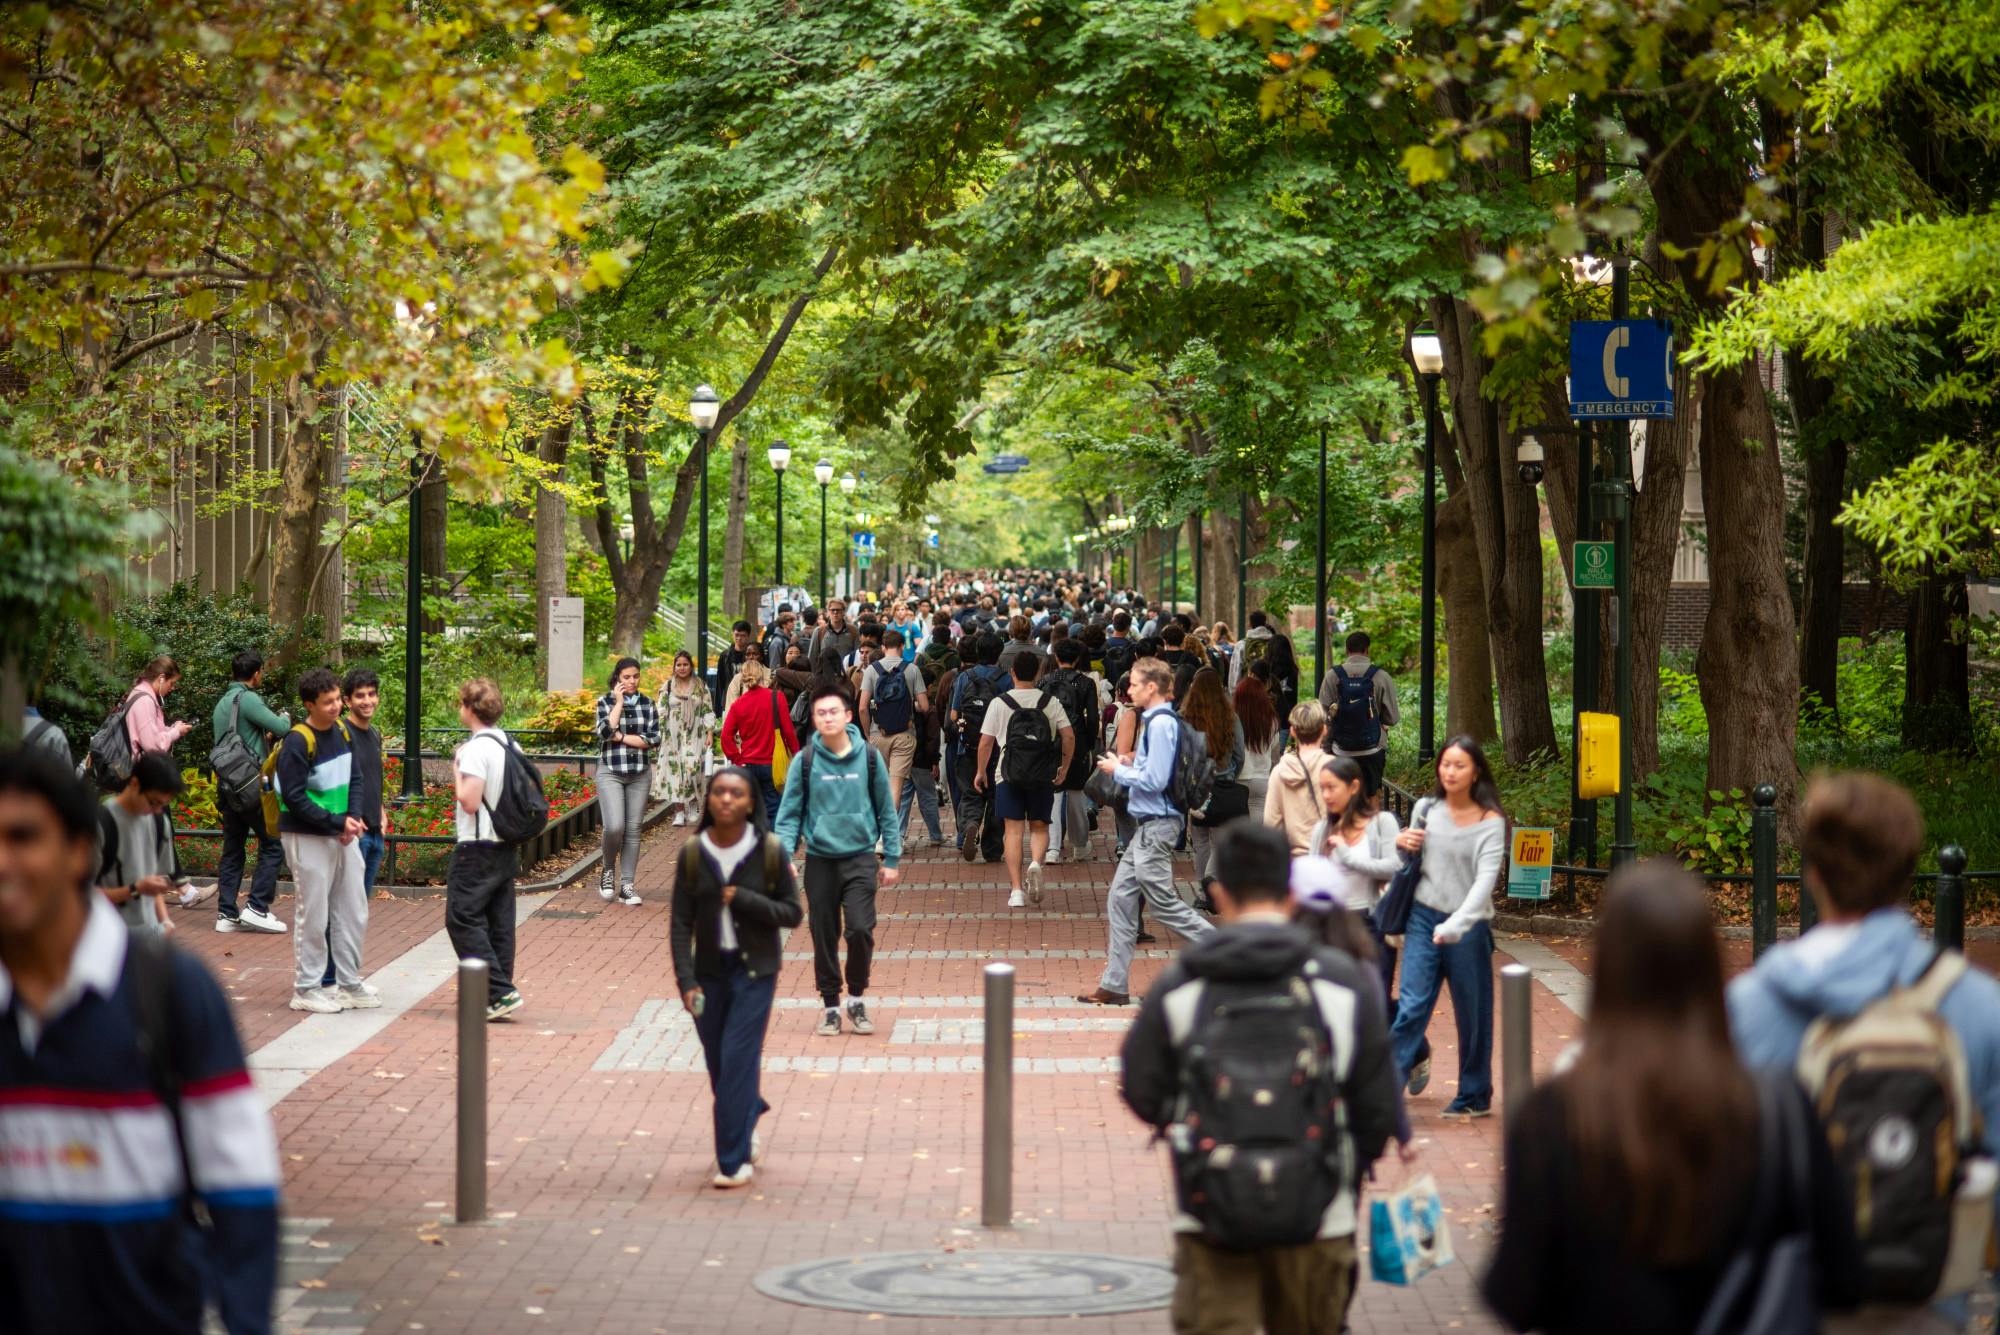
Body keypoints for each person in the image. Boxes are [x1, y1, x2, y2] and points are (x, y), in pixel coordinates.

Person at [1485, 860, 1862, 1335]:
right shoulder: (1778, 1109)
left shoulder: (1554, 1115)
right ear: (1709, 967)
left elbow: (1515, 1297)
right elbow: (1844, 1278)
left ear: (1606, 968)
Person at [0, 748, 280, 1335]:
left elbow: (242, 1188)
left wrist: (244, 1318)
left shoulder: (172, 992)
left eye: (23, 837)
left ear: (78, 852)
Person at [1728, 772, 2000, 1332]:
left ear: (1813, 874)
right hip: (1930, 1310)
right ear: (1908, 872)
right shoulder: (1979, 1008)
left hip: (1794, 1310)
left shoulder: (1748, 1007)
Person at [1118, 820, 1401, 1335]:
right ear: (1290, 890)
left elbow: (1140, 1087)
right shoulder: (1340, 981)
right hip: (1319, 1216)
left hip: (1211, 1211)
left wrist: (1189, 1118)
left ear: (1219, 893)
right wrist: (1342, 1163)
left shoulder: (1184, 983)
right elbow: (1377, 1105)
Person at [671, 766, 804, 1189]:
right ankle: (748, 1110)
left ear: (750, 803)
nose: (727, 799)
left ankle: (733, 1160)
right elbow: (679, 924)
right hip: (708, 973)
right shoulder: (693, 853)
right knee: (718, 1062)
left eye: (737, 793)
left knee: (737, 1058)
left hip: (755, 973)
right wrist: (686, 980)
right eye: (720, 792)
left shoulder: (768, 851)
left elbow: (792, 913)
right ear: (709, 800)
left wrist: (743, 899)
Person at [1079, 657, 1214, 1006]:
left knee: (1164, 904)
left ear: (1152, 687)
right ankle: (1114, 984)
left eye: (1136, 684)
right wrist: (1131, 761)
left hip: (1157, 825)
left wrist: (1116, 769)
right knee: (1121, 900)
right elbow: (1157, 769)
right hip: (1150, 828)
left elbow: (1155, 780)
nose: (1129, 690)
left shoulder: (1159, 724)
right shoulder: (1160, 721)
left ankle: (1230, 955)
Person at [773, 682, 901, 1038]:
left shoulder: (870, 757)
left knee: (860, 929)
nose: (828, 718)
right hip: (820, 861)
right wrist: (785, 854)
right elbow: (789, 814)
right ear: (814, 719)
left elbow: (886, 811)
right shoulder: (806, 760)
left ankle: (856, 997)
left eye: (834, 712)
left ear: (848, 716)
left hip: (860, 859)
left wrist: (891, 856)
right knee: (823, 934)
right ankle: (831, 1005)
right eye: (820, 713)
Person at [1388, 735, 1504, 1118]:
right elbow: (1405, 858)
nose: (1450, 772)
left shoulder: (1490, 822)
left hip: (1468, 924)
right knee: (1412, 1004)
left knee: (1472, 1011)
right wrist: (1402, 842)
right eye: (1445, 764)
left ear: (1476, 773)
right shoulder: (1426, 807)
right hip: (1423, 913)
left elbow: (1484, 882)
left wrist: (1458, 924)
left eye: (1459, 765)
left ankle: (1473, 1094)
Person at [1307, 755, 1430, 1093]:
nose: (1327, 795)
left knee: (1373, 999)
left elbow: (1394, 866)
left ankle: (1411, 1050)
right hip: (1333, 926)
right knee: (1338, 999)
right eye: (1323, 789)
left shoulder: (1382, 823)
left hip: (1373, 921)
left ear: (1354, 786)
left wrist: (1348, 856)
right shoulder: (1322, 830)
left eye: (1332, 788)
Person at [273, 667, 375, 1015]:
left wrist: (353, 818)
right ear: (309, 705)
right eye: (327, 702)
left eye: (336, 700)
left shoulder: (342, 733)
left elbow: (356, 777)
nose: (335, 707)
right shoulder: (298, 741)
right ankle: (306, 988)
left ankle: (348, 983)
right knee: (313, 912)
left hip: (341, 833)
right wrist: (337, 821)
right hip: (308, 836)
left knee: (353, 908)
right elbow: (295, 798)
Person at [448, 678, 524, 1022]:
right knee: (499, 921)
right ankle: (498, 991)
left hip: (476, 846)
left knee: (461, 918)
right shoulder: (511, 744)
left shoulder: (475, 750)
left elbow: (469, 800)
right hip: (506, 843)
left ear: (470, 709)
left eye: (462, 704)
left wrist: (456, 769)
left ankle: (500, 991)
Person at [975, 649, 1074, 909]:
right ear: (1039, 673)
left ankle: (1017, 890)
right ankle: (1035, 863)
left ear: (1012, 673)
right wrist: (1064, 766)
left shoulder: (1000, 702)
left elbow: (985, 742)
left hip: (1008, 774)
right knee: (1040, 826)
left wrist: (981, 771)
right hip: (1042, 773)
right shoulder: (1050, 702)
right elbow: (1069, 736)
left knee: (1013, 831)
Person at [212, 652, 290, 933]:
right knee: (272, 843)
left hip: (228, 787)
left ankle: (226, 914)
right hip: (252, 787)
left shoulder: (222, 703)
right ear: (256, 673)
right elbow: (281, 727)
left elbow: (235, 740)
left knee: (233, 850)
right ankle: (257, 906)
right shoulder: (249, 699)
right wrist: (284, 717)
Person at [95, 751, 183, 938]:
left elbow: (153, 882)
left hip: (148, 939)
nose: (158, 810)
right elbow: (82, 896)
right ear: (135, 784)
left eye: (163, 804)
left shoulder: (159, 822)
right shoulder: (101, 823)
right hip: (107, 940)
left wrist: (165, 921)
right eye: (153, 802)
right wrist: (135, 890)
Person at [594, 657, 658, 906]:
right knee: (615, 826)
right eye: (627, 677)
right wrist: (618, 703)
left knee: (633, 830)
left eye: (636, 676)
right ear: (618, 678)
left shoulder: (648, 704)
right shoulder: (604, 702)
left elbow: (652, 739)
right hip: (611, 771)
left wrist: (619, 735)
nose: (632, 681)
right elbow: (604, 732)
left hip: (640, 773)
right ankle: (608, 869)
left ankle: (627, 886)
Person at [1180, 667, 1245, 896]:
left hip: (1196, 784)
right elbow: (1240, 754)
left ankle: (1203, 886)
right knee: (1220, 841)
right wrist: (1230, 774)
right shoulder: (1230, 716)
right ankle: (1212, 884)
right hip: (1223, 782)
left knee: (1199, 840)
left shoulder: (1185, 716)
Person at [1042, 637, 1103, 865]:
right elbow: (1093, 717)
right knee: (1077, 795)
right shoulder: (1086, 683)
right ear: (1077, 658)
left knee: (1054, 796)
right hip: (1076, 741)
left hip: (1051, 742)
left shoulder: (1044, 682)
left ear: (1056, 657)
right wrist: (1088, 742)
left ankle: (1053, 848)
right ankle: (1079, 845)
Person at [950, 632, 1009, 864]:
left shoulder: (965, 677)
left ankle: (970, 824)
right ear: (999, 653)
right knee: (996, 799)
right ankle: (992, 849)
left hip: (968, 747)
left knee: (969, 793)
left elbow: (955, 714)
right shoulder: (1005, 679)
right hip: (996, 748)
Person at [719, 660, 801, 826]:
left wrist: (737, 758)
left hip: (748, 763)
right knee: (773, 808)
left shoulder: (738, 705)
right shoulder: (776, 697)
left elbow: (725, 736)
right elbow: (788, 731)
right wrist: (797, 754)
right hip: (773, 763)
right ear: (763, 675)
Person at [858, 628, 929, 815]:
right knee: (895, 786)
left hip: (877, 733)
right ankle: (888, 836)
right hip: (904, 735)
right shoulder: (912, 669)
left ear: (883, 647)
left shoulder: (872, 670)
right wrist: (909, 703)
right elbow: (925, 706)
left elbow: (863, 708)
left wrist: (867, 733)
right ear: (901, 646)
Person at [1318, 631, 1399, 796]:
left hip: (1339, 749)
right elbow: (1392, 718)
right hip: (1373, 749)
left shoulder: (1332, 676)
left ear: (1347, 650)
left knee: (1342, 796)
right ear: (1367, 650)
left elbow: (1322, 713)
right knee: (1371, 796)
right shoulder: (1381, 676)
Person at [652, 649, 717, 825]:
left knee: (692, 769)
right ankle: (679, 812)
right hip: (672, 735)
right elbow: (661, 712)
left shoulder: (700, 685)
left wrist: (709, 732)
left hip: (695, 733)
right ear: (674, 667)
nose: (682, 668)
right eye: (678, 664)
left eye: (685, 664)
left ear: (691, 666)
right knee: (675, 772)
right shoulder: (667, 686)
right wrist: (659, 736)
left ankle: (694, 802)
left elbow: (707, 710)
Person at [1264, 701, 1335, 855]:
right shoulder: (1335, 769)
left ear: (1293, 731)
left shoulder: (1279, 772)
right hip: (1327, 862)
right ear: (1324, 730)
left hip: (1293, 865)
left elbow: (1271, 825)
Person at [122, 656, 194, 760]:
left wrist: (173, 729)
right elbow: (154, 747)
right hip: (136, 770)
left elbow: (147, 733)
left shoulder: (140, 693)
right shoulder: (144, 701)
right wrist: (176, 732)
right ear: (161, 678)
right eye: (172, 683)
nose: (173, 688)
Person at [1234, 675, 1282, 818]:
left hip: (1239, 779)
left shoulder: (1233, 720)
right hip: (1262, 778)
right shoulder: (1271, 720)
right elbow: (1275, 753)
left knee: (1239, 829)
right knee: (1256, 830)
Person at [713, 621, 756, 716]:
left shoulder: (753, 655)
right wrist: (717, 710)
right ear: (733, 634)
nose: (739, 638)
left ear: (748, 636)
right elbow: (720, 683)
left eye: (743, 635)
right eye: (736, 635)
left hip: (750, 701)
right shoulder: (725, 656)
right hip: (730, 700)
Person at [1227, 609, 1276, 689]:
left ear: (1250, 624)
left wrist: (1235, 693)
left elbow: (1235, 673)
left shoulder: (1241, 645)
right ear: (1264, 622)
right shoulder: (1274, 643)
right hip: (1269, 690)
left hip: (1249, 691)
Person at [808, 598, 857, 668]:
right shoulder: (819, 631)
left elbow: (857, 656)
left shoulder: (853, 631)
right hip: (825, 674)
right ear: (828, 612)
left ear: (843, 612)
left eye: (838, 610)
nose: (835, 612)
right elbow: (812, 657)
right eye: (832, 610)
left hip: (846, 675)